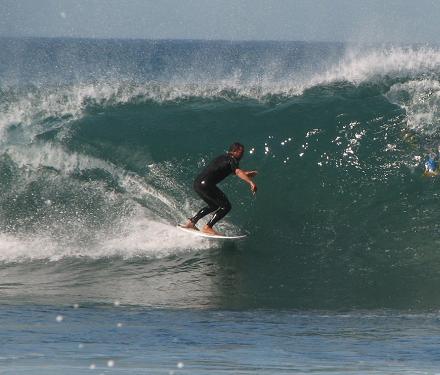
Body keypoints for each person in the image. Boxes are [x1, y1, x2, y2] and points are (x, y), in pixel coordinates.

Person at [181, 142, 257, 236]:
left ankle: (191, 223)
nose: (242, 155)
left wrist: (246, 174)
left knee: (213, 205)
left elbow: (232, 170)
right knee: (226, 206)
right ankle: (208, 227)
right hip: (206, 185)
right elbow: (237, 171)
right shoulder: (232, 159)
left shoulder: (223, 157)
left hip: (198, 183)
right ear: (234, 151)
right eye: (241, 152)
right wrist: (250, 182)